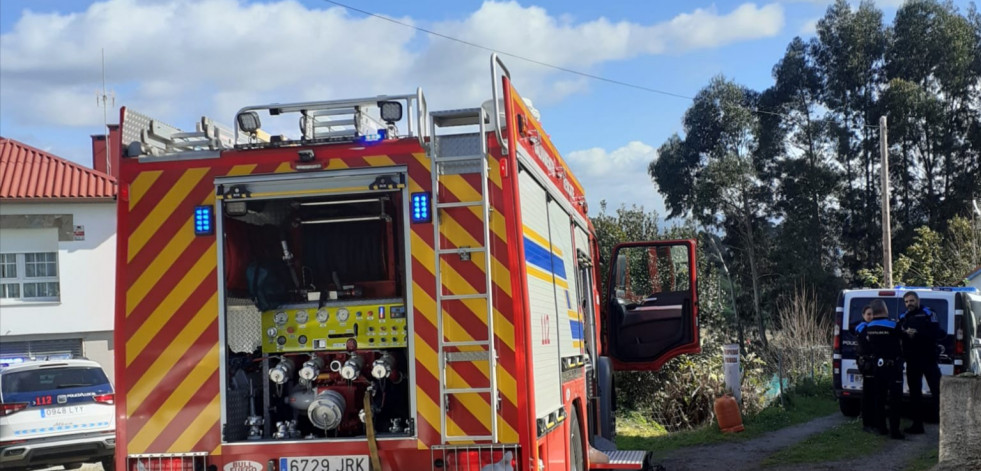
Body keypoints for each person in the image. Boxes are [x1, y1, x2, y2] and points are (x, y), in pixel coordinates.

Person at [856, 299, 905, 439]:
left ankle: (881, 428)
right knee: (895, 400)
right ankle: (894, 431)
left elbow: (865, 346)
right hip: (893, 366)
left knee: (880, 398)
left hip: (877, 366)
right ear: (884, 310)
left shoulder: (867, 327)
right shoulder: (893, 325)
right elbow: (903, 341)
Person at [897, 291, 943, 434]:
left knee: (939, 392)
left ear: (918, 300)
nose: (909, 304)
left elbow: (936, 332)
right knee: (915, 394)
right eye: (906, 302)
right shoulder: (903, 317)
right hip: (912, 360)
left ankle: (947, 423)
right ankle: (917, 425)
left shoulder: (928, 313)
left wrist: (917, 332)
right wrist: (905, 333)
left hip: (928, 359)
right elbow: (897, 332)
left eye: (911, 301)